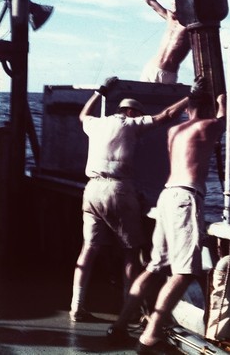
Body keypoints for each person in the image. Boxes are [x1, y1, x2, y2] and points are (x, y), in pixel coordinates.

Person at [107, 79, 226, 353]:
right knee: (183, 273)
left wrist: (196, 99)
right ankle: (149, 338)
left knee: (154, 267)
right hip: (186, 197)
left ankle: (120, 325)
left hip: (166, 197)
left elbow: (187, 116)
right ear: (205, 109)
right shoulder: (207, 126)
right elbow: (225, 118)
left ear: (188, 110)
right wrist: (221, 97)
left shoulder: (174, 131)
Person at [69, 76, 189, 322]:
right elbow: (165, 115)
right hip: (117, 190)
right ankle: (130, 309)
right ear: (132, 112)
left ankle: (76, 307)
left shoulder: (96, 124)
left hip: (91, 190)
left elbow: (82, 115)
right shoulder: (131, 124)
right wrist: (192, 97)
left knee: (88, 250)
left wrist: (99, 91)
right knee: (131, 253)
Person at [118, 0, 191, 84]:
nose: (173, 4)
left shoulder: (190, 25)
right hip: (150, 68)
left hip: (167, 74)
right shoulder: (169, 17)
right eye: (173, 2)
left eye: (177, 1)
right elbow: (149, 0)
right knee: (139, 99)